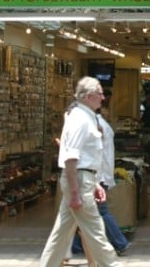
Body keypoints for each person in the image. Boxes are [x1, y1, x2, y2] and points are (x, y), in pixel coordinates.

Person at [37, 77, 120, 267]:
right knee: (96, 230)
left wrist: (95, 182)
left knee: (61, 233)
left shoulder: (85, 116)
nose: (103, 97)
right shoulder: (79, 118)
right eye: (100, 93)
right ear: (89, 96)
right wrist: (76, 192)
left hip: (83, 178)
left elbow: (81, 158)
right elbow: (71, 157)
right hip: (80, 180)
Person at [70, 91, 130, 258]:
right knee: (84, 212)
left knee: (98, 211)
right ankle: (76, 244)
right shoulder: (99, 125)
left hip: (95, 176)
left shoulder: (95, 127)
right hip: (98, 175)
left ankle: (119, 243)